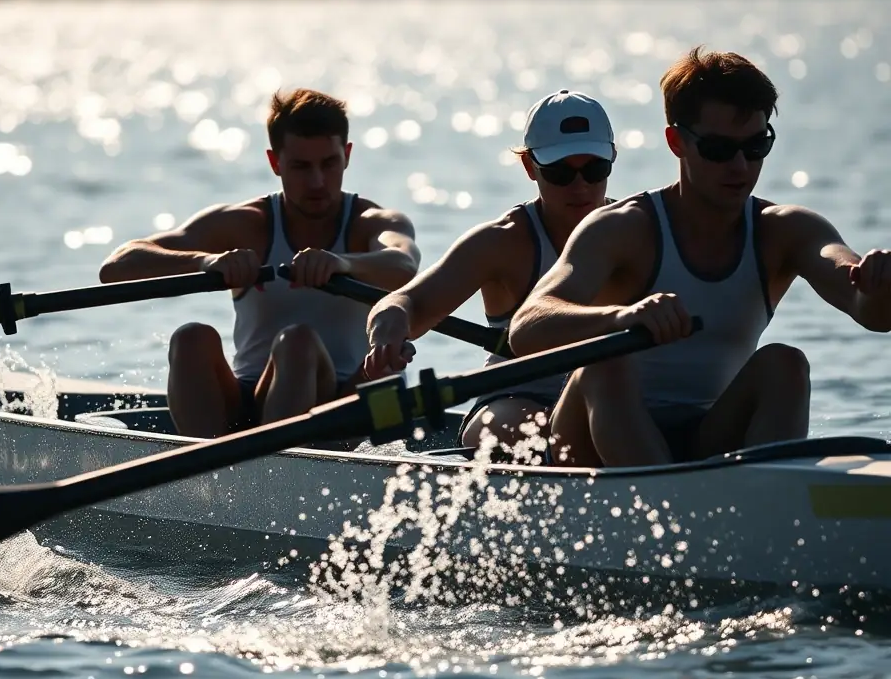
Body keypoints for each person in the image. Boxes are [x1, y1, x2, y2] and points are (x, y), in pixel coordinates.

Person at [508, 46, 891, 468]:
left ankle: (760, 500)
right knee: (605, 360)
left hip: (706, 438)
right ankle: (669, 508)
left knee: (786, 363)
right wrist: (620, 319)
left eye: (756, 146)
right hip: (590, 445)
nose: (741, 166)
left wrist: (877, 286)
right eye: (718, 149)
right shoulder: (622, 229)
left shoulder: (786, 230)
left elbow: (869, 310)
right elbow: (526, 327)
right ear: (677, 142)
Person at [99, 88, 420, 444]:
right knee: (191, 337)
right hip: (253, 400)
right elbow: (116, 266)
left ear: (346, 156)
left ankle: (273, 472)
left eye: (328, 163)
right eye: (300, 166)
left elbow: (403, 264)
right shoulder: (245, 224)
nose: (317, 182)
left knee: (297, 341)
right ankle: (209, 479)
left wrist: (340, 263)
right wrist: (207, 261)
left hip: (345, 403)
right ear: (275, 162)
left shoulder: (372, 222)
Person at [365, 90, 616, 459]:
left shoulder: (635, 229)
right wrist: (387, 330)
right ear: (530, 167)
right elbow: (404, 302)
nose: (580, 187)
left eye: (594, 169)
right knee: (532, 430)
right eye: (561, 172)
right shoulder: (502, 243)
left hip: (607, 396)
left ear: (612, 158)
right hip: (517, 397)